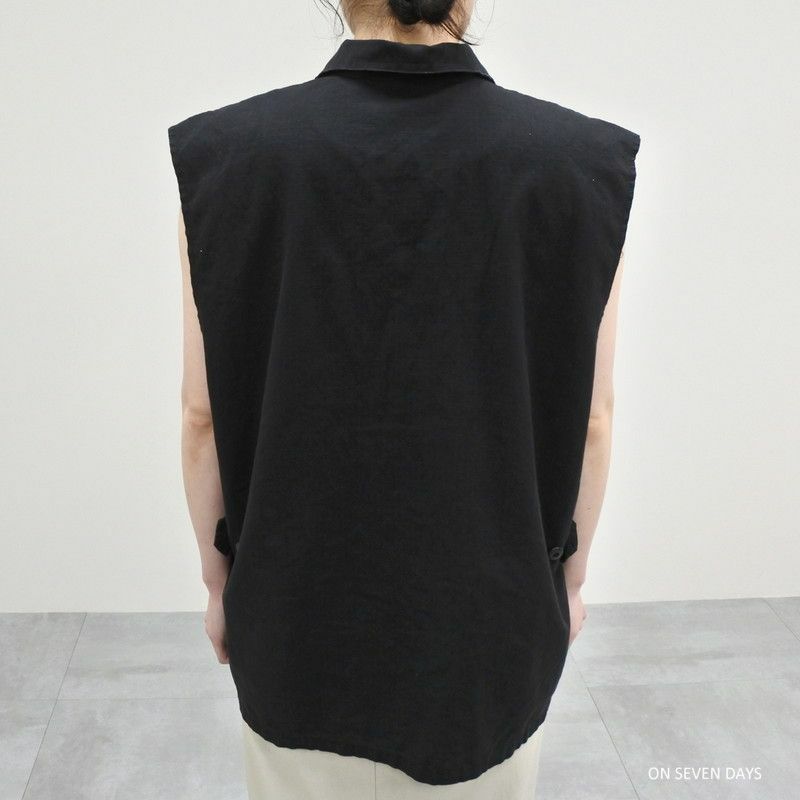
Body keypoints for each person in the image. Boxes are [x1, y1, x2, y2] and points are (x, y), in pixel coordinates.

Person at [170, 0, 640, 797]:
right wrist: (569, 581)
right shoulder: (580, 162)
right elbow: (593, 420)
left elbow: (201, 418)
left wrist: (221, 587)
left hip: (295, 626)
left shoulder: (226, 154)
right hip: (487, 637)